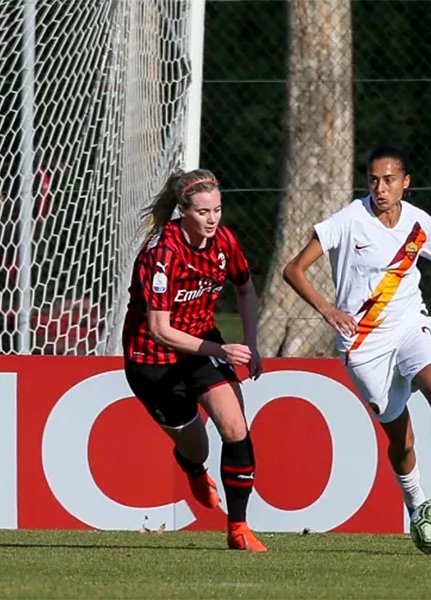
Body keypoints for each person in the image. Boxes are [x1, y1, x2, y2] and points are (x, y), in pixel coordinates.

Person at [282, 144, 431, 541]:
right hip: (363, 343)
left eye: (388, 180)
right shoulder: (349, 219)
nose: (380, 188)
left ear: (406, 182)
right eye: (373, 179)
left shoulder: (420, 224)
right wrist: (328, 310)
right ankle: (419, 507)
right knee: (401, 440)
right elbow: (294, 269)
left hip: (409, 326)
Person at [121, 169, 266, 552]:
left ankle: (238, 528)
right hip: (153, 361)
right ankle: (193, 470)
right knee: (196, 446)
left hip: (201, 346)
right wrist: (223, 351)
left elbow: (246, 288)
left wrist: (251, 344)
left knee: (235, 425)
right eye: (203, 212)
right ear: (183, 212)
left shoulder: (224, 243)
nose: (213, 219)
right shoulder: (162, 252)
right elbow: (160, 330)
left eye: (217, 209)